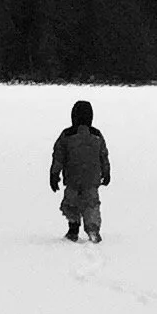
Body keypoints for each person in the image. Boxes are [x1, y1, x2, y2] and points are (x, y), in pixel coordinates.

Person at [49, 99, 112, 243]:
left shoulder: (67, 135)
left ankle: (73, 229)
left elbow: (58, 156)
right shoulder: (96, 135)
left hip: (72, 177)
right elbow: (103, 155)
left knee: (71, 203)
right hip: (91, 178)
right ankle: (93, 229)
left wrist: (54, 174)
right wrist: (106, 172)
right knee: (91, 204)